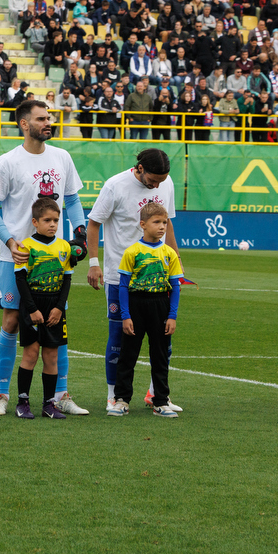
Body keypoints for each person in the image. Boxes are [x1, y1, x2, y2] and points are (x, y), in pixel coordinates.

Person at [0, 99, 89, 417]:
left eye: (49, 118)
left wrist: (79, 233)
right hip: (17, 257)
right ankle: (2, 394)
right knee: (12, 320)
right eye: (41, 118)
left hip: (54, 259)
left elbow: (72, 199)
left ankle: (61, 395)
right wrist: (9, 240)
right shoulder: (8, 162)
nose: (48, 122)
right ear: (24, 124)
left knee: (57, 322)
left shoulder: (62, 157)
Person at [86, 149, 178, 411]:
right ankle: (114, 395)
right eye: (153, 180)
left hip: (157, 276)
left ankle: (156, 394)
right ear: (139, 168)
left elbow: (168, 223)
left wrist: (177, 261)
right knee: (120, 336)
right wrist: (94, 263)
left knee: (163, 338)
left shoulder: (166, 182)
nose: (157, 186)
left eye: (161, 181)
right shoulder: (115, 185)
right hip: (120, 276)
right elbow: (94, 223)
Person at [114, 203, 184, 418]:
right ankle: (122, 400)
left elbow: (175, 286)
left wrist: (172, 315)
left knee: (160, 356)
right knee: (128, 355)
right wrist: (126, 315)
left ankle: (160, 401)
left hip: (160, 305)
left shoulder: (169, 253)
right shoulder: (132, 251)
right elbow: (123, 286)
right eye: (157, 222)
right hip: (136, 304)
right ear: (143, 224)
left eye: (164, 222)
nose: (162, 226)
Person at [13, 198, 73, 420]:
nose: (52, 224)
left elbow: (67, 280)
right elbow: (20, 279)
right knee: (31, 353)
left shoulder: (64, 247)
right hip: (32, 305)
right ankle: (22, 402)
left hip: (54, 306)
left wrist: (59, 308)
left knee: (51, 355)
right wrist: (31, 309)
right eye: (47, 220)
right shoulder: (26, 246)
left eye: (56, 220)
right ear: (35, 222)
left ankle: (49, 405)